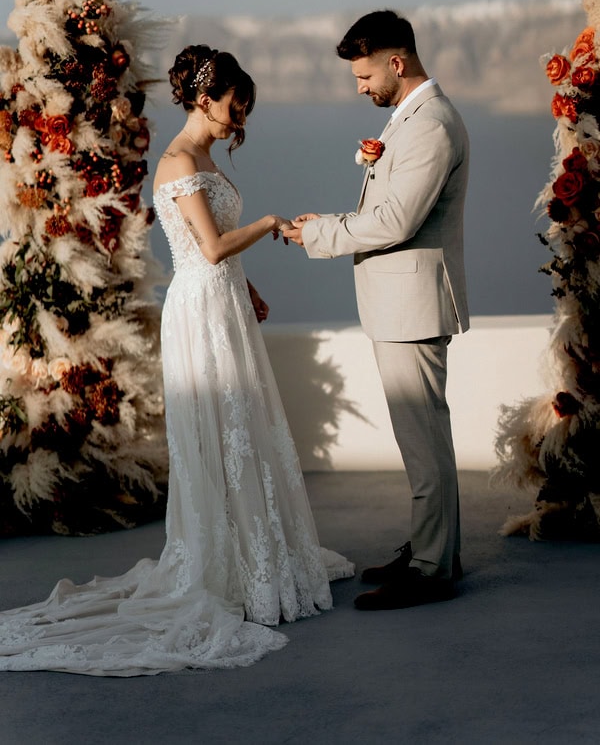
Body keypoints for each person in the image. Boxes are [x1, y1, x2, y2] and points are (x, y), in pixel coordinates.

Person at [0, 45, 353, 676]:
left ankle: (256, 551)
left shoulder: (204, 158)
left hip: (221, 300)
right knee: (223, 427)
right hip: (201, 307)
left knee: (240, 424)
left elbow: (211, 253)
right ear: (201, 98)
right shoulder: (179, 163)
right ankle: (229, 562)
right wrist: (270, 221)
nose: (239, 117)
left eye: (244, 107)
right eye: (233, 105)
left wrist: (248, 288)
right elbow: (211, 248)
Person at [285, 10, 469, 610]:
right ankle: (432, 548)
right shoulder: (408, 119)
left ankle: (432, 569)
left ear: (396, 62)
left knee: (424, 443)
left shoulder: (432, 125)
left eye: (364, 76)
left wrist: (321, 232)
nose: (359, 87)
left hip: (413, 306)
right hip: (398, 304)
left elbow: (396, 221)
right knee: (420, 440)